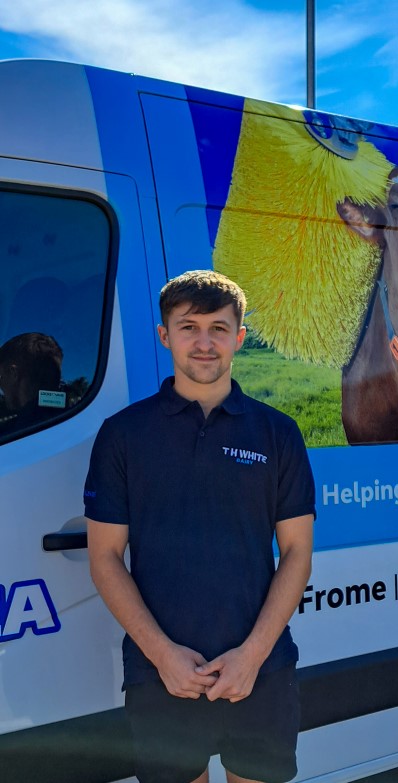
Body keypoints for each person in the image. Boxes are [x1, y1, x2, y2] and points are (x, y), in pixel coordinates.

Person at [84, 270, 315, 783]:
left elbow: (297, 552)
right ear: (164, 335)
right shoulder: (123, 435)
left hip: (261, 671)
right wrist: (163, 656)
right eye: (188, 327)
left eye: (218, 327)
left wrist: (251, 657)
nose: (204, 342)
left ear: (240, 335)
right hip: (160, 674)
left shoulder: (277, 433)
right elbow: (104, 557)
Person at [0, 331, 64, 433]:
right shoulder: (65, 415)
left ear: (13, 373)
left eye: (1, 376)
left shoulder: (22, 431)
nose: (0, 385)